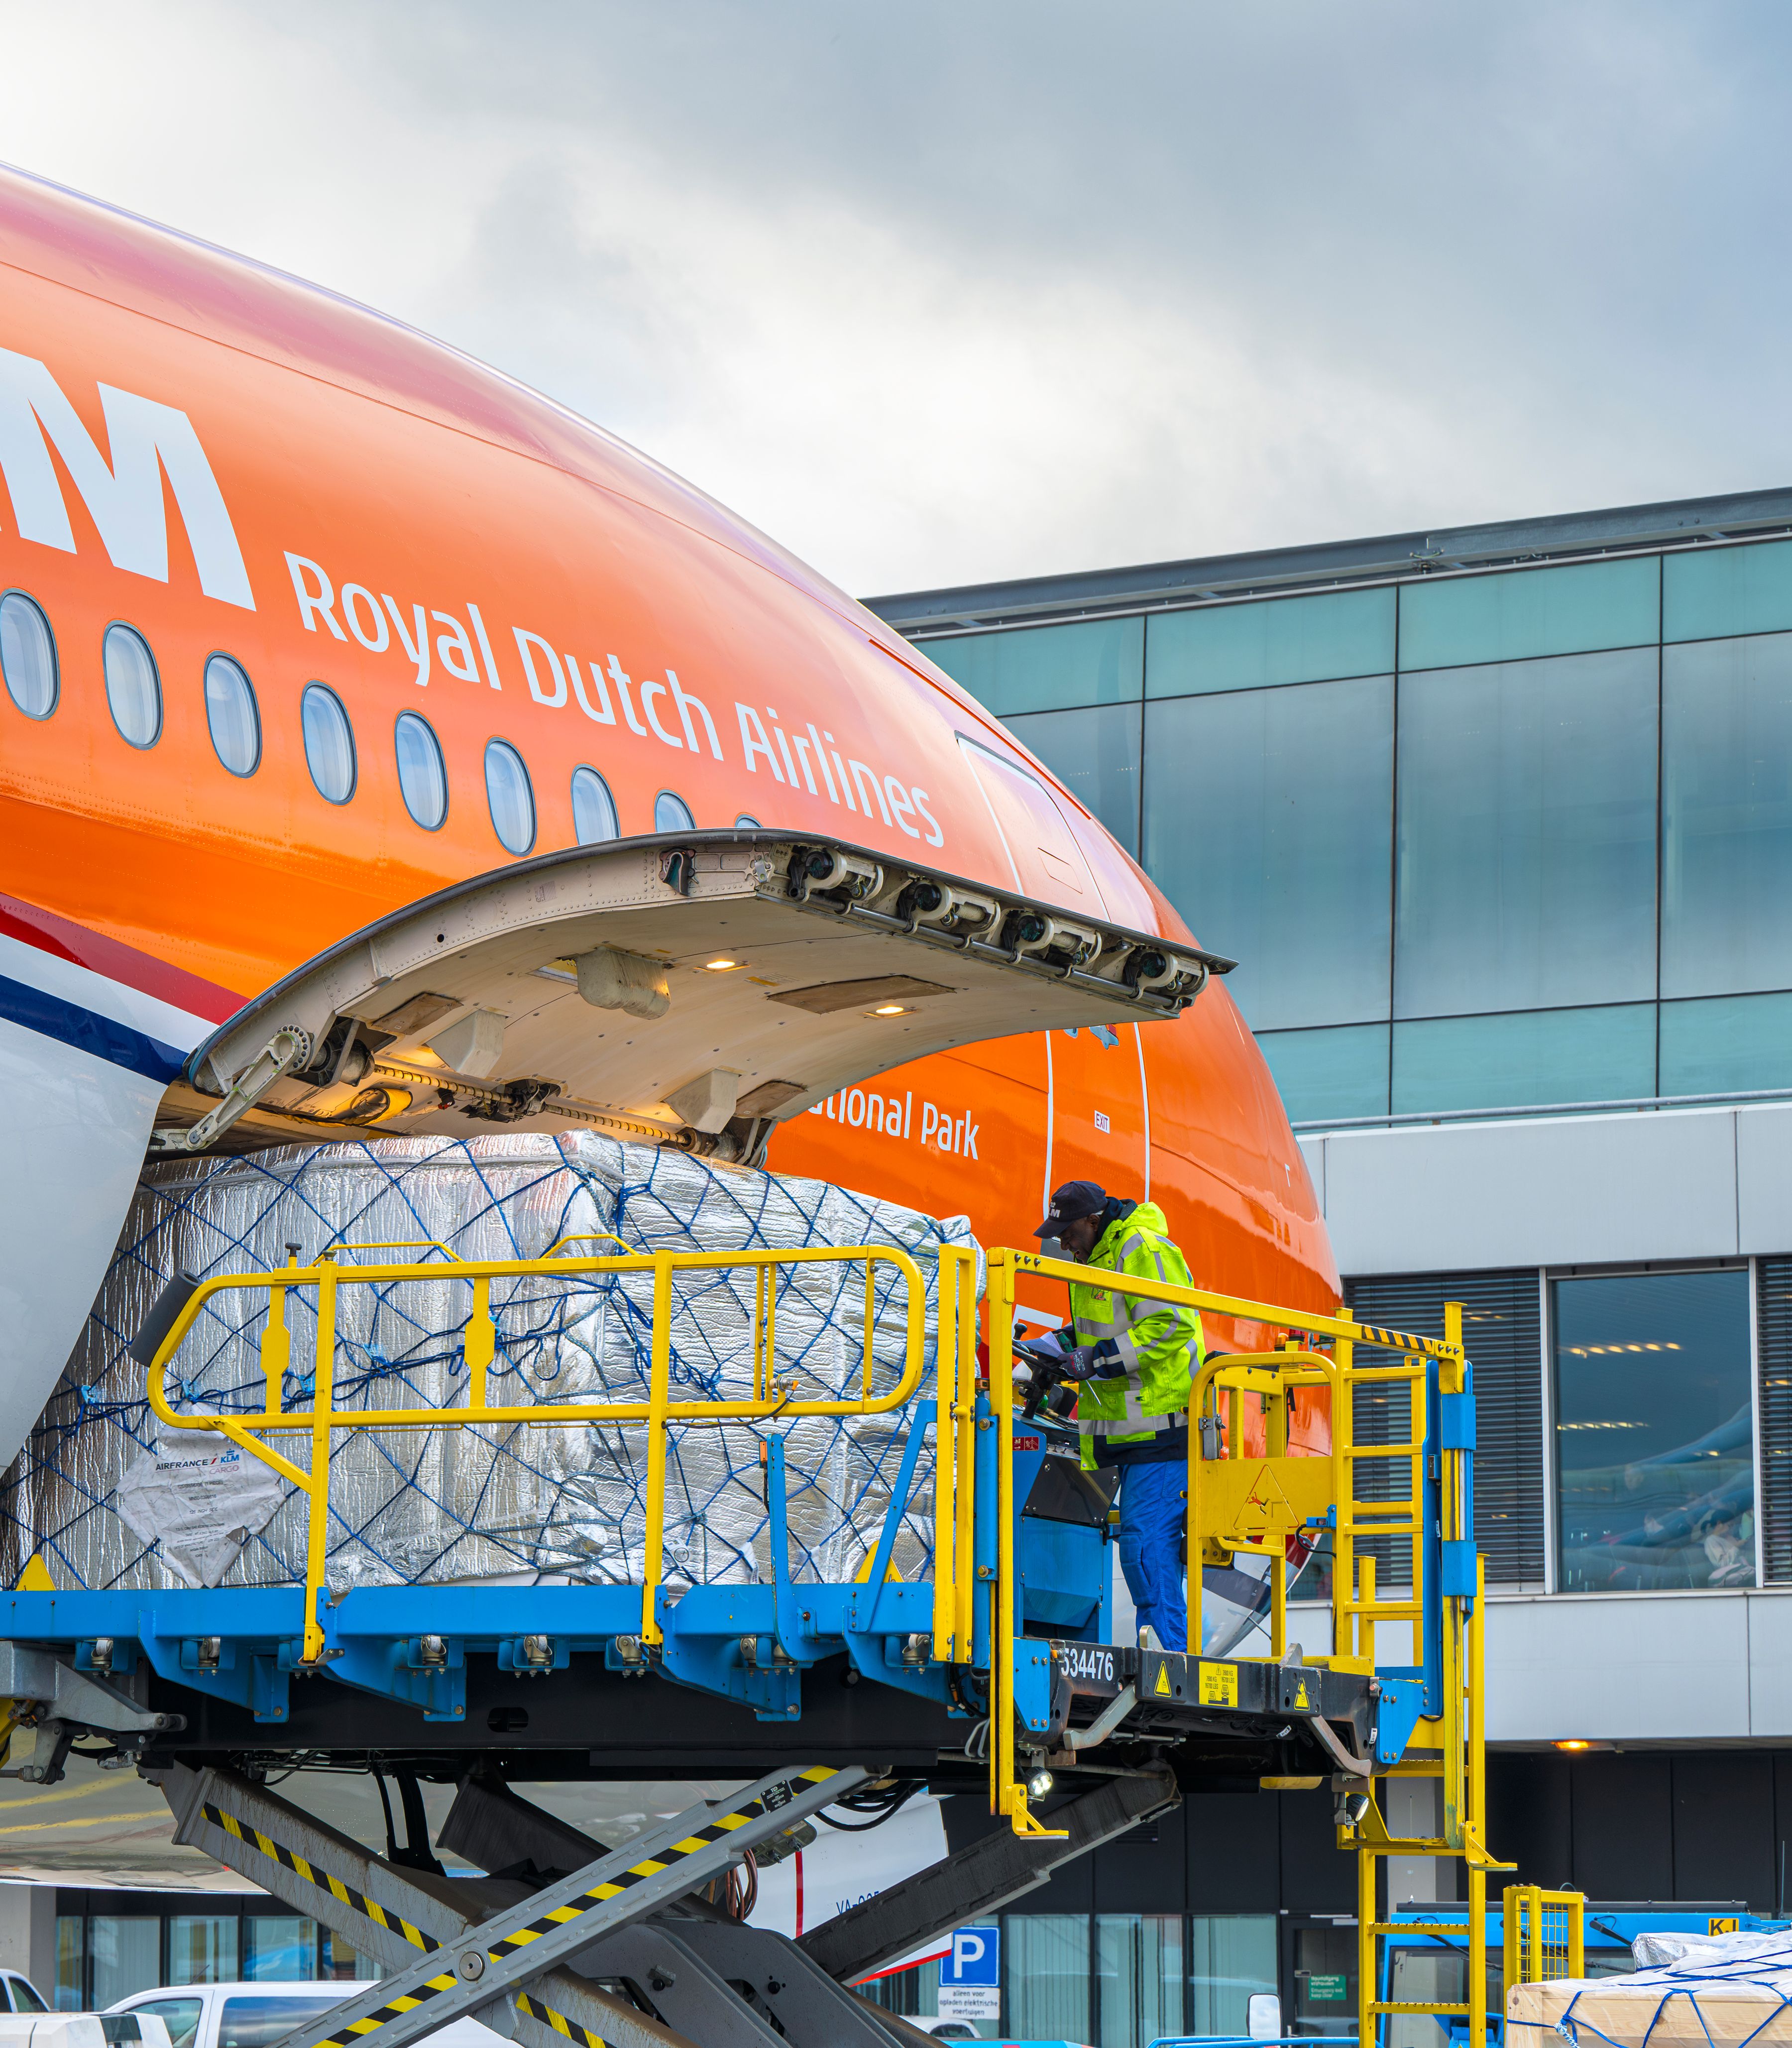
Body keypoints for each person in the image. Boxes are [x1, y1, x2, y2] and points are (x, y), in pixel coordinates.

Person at [1030, 1178, 1202, 1652]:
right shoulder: (1095, 1258)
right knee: (1142, 1551)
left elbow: (1172, 1323)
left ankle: (1171, 1660)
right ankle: (1167, 1654)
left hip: (1163, 1428)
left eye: (1069, 1231)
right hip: (1130, 1434)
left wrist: (1094, 1360)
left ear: (1093, 1220)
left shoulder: (1139, 1247)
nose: (1063, 1241)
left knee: (1145, 1550)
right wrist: (1058, 1347)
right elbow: (1108, 1329)